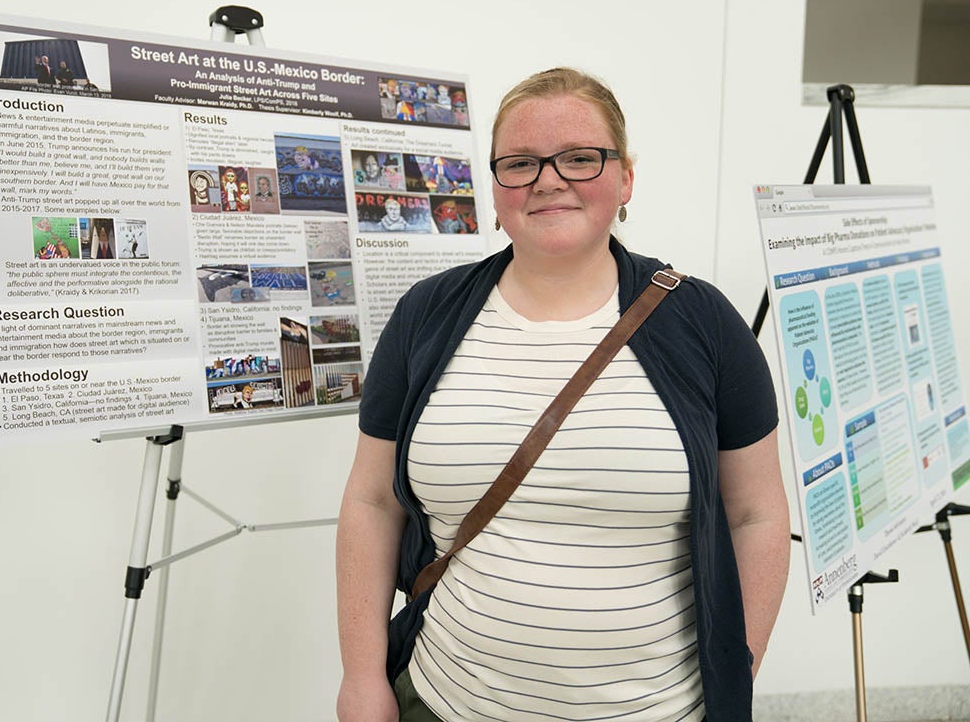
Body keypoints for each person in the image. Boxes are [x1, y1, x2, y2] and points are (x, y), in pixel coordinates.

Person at [336, 67, 789, 722]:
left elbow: (758, 514)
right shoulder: (425, 317)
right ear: (495, 190)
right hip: (444, 703)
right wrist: (361, 676)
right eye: (520, 163)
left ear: (625, 177)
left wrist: (736, 670)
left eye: (580, 158)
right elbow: (372, 501)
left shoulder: (704, 325)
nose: (549, 180)